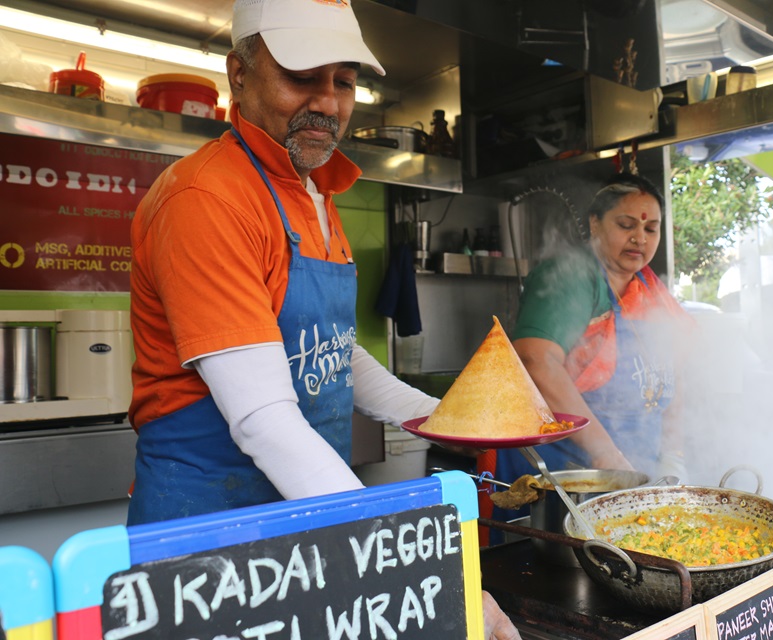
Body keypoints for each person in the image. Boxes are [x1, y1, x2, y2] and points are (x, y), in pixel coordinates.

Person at [126, 4, 522, 637]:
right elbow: (263, 421)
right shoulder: (207, 199)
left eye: (343, 80)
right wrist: (414, 571)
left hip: (306, 518)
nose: (329, 102)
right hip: (209, 534)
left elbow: (335, 353)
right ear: (238, 73)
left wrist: (445, 418)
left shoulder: (314, 191)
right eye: (302, 75)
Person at [492, 173, 691, 497]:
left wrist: (673, 456)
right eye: (626, 225)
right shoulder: (572, 276)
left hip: (634, 471)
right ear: (595, 224)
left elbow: (674, 374)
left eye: (650, 229)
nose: (640, 238)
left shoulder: (649, 290)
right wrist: (607, 457)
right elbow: (536, 360)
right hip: (565, 476)